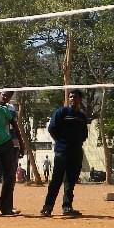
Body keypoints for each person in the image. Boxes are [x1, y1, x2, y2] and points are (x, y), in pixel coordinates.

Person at [41, 89, 89, 217]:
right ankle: (48, 207)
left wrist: (77, 143)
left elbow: (85, 134)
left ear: (80, 99)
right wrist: (60, 141)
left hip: (76, 152)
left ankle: (67, 207)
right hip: (62, 152)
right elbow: (51, 128)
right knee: (56, 180)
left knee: (70, 181)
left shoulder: (81, 116)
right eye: (71, 97)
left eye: (75, 97)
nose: (73, 99)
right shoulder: (61, 112)